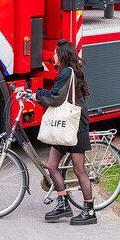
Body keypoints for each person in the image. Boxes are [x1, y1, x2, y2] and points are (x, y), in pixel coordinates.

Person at [18, 40, 95, 225]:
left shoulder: (68, 72)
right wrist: (33, 92)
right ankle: (63, 203)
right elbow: (55, 92)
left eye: (54, 53)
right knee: (51, 165)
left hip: (76, 126)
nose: (52, 56)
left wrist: (35, 95)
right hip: (64, 125)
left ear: (62, 55)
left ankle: (90, 210)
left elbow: (56, 97)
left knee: (79, 170)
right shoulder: (66, 72)